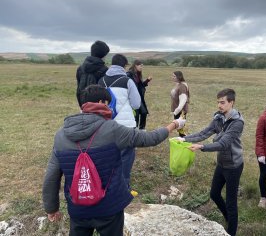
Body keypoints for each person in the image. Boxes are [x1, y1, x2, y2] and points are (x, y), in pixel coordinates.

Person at [42, 85, 185, 236]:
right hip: (110, 207)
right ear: (101, 102)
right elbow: (150, 139)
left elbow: (51, 176)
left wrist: (51, 208)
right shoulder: (112, 129)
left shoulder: (60, 135)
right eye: (109, 103)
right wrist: (174, 125)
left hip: (78, 207)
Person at [181, 88, 243, 236]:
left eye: (222, 102)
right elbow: (204, 132)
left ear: (231, 102)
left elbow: (223, 144)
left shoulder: (237, 123)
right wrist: (184, 138)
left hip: (234, 166)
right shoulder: (218, 118)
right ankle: (229, 218)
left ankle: (231, 231)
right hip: (222, 164)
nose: (219, 106)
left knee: (231, 202)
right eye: (218, 102)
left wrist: (202, 147)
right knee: (214, 194)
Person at [98, 54, 141, 188]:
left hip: (105, 124)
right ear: (124, 66)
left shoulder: (101, 81)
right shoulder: (127, 81)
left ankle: (107, 185)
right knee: (126, 156)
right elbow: (136, 104)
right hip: (126, 125)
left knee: (108, 155)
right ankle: (123, 187)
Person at [76, 40, 110, 107]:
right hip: (99, 106)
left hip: (83, 104)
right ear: (103, 55)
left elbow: (78, 89)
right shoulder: (105, 70)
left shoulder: (80, 68)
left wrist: (81, 105)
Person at [127, 59, 152, 130]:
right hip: (133, 97)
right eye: (140, 66)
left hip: (139, 97)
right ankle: (135, 130)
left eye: (142, 66)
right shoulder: (129, 74)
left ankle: (142, 129)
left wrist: (147, 80)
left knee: (144, 113)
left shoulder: (138, 74)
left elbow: (140, 86)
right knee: (136, 115)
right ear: (135, 65)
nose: (141, 67)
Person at [171, 71, 190, 137]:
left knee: (181, 127)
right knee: (180, 127)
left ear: (179, 77)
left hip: (181, 111)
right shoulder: (178, 84)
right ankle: (182, 139)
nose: (172, 77)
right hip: (178, 110)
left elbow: (183, 101)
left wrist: (176, 111)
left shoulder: (182, 86)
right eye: (172, 76)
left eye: (174, 76)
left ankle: (184, 140)